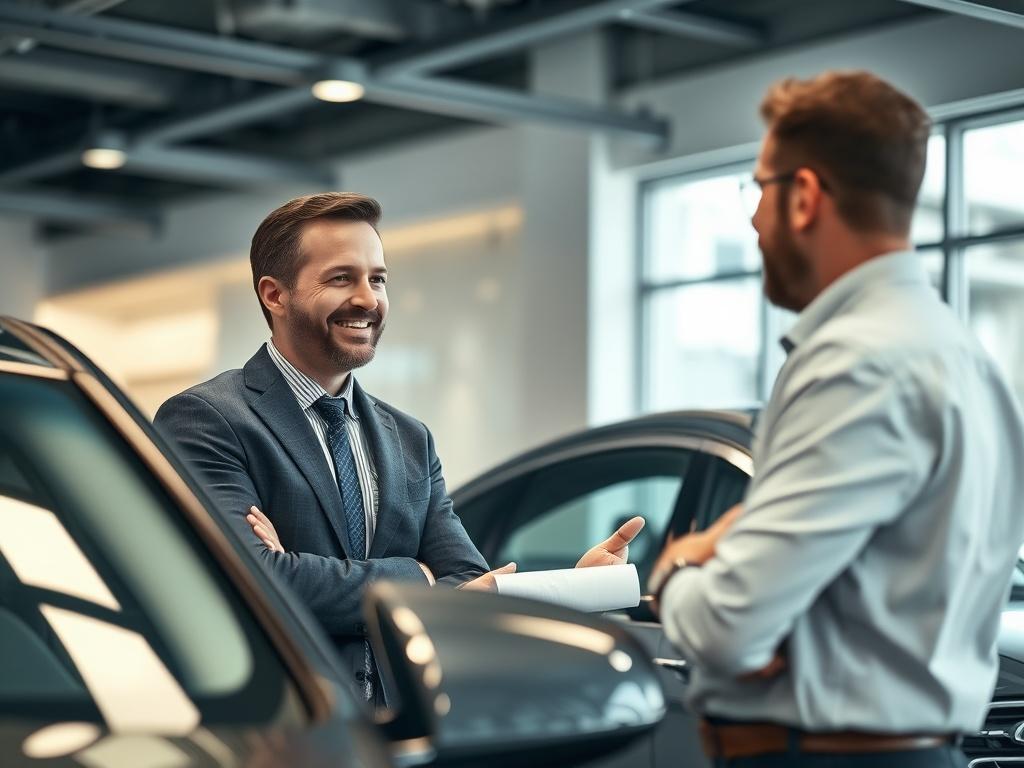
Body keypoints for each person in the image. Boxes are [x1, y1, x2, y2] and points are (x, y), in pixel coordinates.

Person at [648, 70, 1024, 767]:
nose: (754, 220)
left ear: (805, 197)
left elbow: (728, 628)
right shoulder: (964, 357)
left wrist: (677, 568)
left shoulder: (857, 363)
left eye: (758, 189)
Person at [155, 192, 643, 706]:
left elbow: (468, 582)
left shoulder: (410, 438)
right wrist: (420, 577)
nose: (368, 299)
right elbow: (249, 580)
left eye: (378, 278)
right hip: (285, 727)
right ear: (275, 295)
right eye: (341, 278)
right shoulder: (207, 419)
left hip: (406, 726)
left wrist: (572, 590)